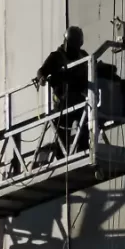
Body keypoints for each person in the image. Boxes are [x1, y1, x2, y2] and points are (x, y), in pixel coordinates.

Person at [36, 26, 90, 154]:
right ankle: (62, 156)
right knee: (62, 138)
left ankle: (83, 152)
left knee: (86, 125)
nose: (73, 49)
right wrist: (41, 78)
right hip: (62, 104)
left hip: (79, 100)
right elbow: (41, 71)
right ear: (66, 42)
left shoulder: (83, 56)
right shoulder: (56, 57)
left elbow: (94, 66)